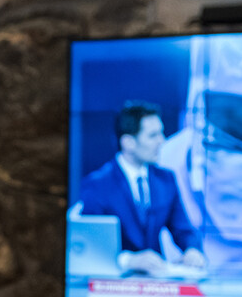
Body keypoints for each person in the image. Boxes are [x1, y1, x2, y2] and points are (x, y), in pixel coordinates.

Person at [79, 101, 206, 275]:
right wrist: (129, 260)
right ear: (128, 142)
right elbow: (89, 247)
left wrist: (192, 250)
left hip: (155, 285)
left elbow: (183, 229)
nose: (162, 141)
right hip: (113, 287)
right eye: (153, 135)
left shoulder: (166, 179)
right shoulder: (97, 185)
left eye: (161, 133)